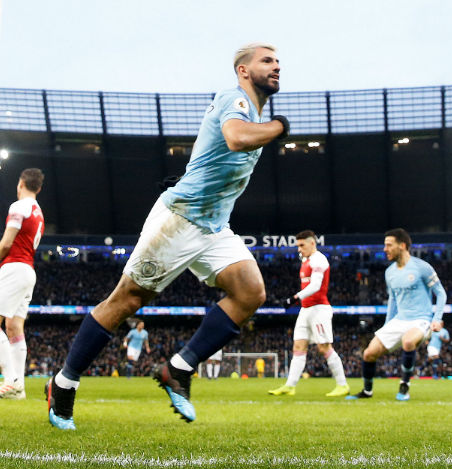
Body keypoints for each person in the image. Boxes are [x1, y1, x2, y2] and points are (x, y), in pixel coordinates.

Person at [45, 43, 290, 430]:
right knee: (126, 300)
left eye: (278, 61)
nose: (276, 66)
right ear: (243, 70)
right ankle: (63, 385)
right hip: (180, 219)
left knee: (251, 293)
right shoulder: (234, 99)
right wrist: (280, 128)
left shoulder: (253, 109)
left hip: (213, 225)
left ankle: (178, 368)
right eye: (267, 61)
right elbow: (235, 138)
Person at [347, 228, 447, 401]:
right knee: (368, 353)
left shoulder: (422, 267)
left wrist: (436, 320)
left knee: (408, 342)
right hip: (399, 320)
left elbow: (441, 293)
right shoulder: (389, 272)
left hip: (421, 320)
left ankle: (404, 386)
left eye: (388, 245)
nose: (385, 249)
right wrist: (387, 325)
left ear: (402, 245)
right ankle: (367, 391)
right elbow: (393, 301)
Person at [0, 168, 45, 400]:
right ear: (38, 188)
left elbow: (8, 241)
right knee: (14, 327)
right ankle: (19, 388)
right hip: (28, 270)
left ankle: (11, 380)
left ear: (20, 184)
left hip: (14, 266)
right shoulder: (38, 211)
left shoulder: (19, 206)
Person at [269, 230, 349, 397]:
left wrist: (295, 297)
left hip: (319, 309)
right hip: (306, 310)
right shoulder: (306, 260)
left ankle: (342, 385)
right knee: (298, 346)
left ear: (312, 243)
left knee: (324, 347)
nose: (299, 249)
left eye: (301, 245)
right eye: (297, 245)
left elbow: (316, 285)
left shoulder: (319, 260)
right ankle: (290, 386)